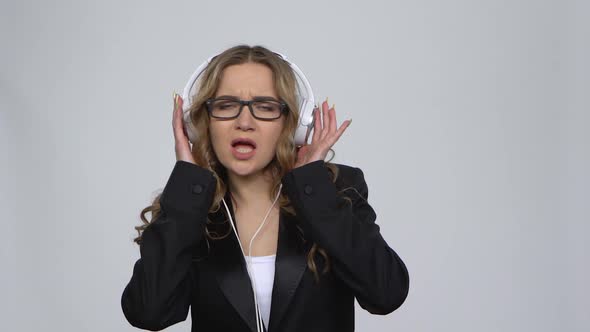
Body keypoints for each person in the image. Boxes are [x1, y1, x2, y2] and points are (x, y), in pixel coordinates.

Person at [121, 44, 409, 332]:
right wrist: (187, 177)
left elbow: (386, 293)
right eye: (226, 106)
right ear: (201, 123)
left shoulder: (334, 190)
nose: (244, 122)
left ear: (291, 124)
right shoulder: (190, 205)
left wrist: (311, 185)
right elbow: (148, 312)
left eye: (265, 107)